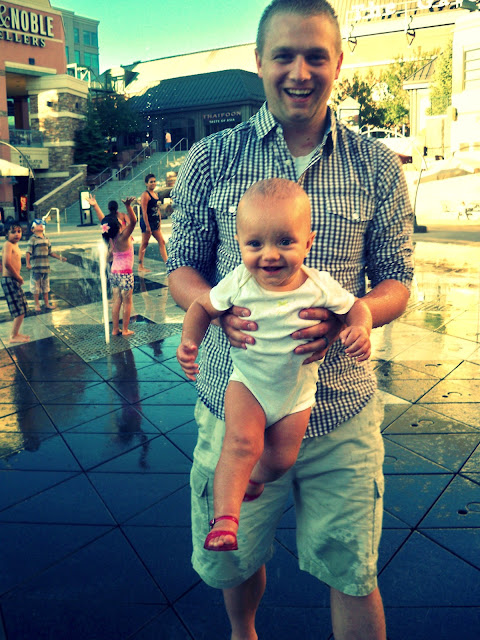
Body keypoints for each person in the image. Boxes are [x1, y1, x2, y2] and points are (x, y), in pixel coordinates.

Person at [167, 1, 414, 638]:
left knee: (353, 570)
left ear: (338, 63)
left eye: (315, 56)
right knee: (234, 557)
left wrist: (359, 313)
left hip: (339, 411)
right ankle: (243, 632)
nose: (300, 72)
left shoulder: (376, 165)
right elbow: (181, 269)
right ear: (259, 61)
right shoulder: (211, 158)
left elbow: (397, 280)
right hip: (238, 404)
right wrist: (212, 311)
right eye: (284, 55)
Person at [177, 178, 373, 553]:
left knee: (281, 460)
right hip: (248, 383)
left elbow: (356, 307)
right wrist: (190, 341)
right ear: (239, 243)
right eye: (255, 244)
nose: (269, 255)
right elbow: (202, 306)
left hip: (296, 393)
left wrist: (359, 328)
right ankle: (224, 520)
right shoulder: (238, 282)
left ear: (308, 243)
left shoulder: (319, 286)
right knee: (239, 443)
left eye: (284, 242)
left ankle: (254, 478)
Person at [101, 197, 137, 336]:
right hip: (125, 273)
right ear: (118, 225)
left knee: (117, 301)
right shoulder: (123, 237)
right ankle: (125, 329)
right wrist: (128, 206)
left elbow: (103, 220)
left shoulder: (111, 238)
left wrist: (96, 206)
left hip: (114, 272)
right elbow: (134, 222)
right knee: (127, 302)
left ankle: (115, 329)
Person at [26, 219, 67, 312]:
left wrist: (60, 258)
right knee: (36, 287)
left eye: (41, 224)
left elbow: (50, 252)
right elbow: (28, 252)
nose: (41, 225)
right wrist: (28, 263)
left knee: (46, 287)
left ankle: (47, 304)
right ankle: (37, 304)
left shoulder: (47, 239)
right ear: (33, 229)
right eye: (38, 225)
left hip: (46, 268)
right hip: (36, 268)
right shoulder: (32, 239)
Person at [1, 223, 30, 343]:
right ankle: (13, 336)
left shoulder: (15, 245)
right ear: (6, 234)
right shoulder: (8, 244)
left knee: (22, 307)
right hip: (10, 280)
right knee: (19, 309)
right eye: (13, 232)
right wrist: (18, 277)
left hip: (13, 280)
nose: (17, 234)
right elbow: (7, 263)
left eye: (19, 231)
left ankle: (16, 333)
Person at [138, 173, 168, 272]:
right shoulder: (145, 195)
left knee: (162, 242)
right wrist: (147, 226)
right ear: (146, 183)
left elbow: (157, 208)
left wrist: (160, 221)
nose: (153, 183)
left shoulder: (155, 194)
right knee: (144, 243)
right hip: (147, 223)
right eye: (151, 182)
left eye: (154, 181)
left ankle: (167, 263)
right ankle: (140, 266)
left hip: (155, 223)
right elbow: (144, 211)